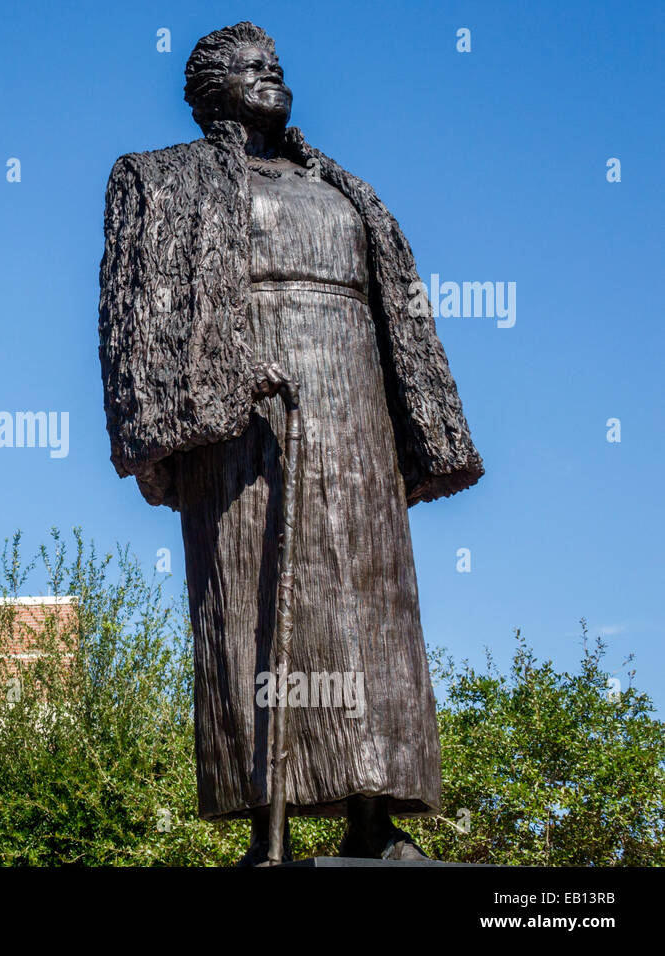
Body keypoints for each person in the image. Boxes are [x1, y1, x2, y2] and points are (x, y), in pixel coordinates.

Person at [97, 22, 484, 863]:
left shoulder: (342, 188)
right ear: (208, 92)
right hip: (247, 421)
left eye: (276, 64)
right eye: (248, 66)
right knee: (258, 598)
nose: (270, 73)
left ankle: (374, 821)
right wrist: (227, 374)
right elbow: (146, 314)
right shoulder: (168, 181)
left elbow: (399, 318)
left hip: (355, 407)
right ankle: (267, 829)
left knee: (369, 608)